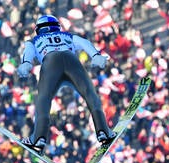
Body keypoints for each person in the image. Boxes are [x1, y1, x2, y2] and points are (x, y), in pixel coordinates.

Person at [17, 15, 117, 154]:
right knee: (90, 95)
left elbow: (28, 53)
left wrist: (26, 64)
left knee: (43, 101)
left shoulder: (34, 40)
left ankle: (38, 138)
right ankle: (103, 132)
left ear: (39, 29)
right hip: (71, 61)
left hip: (51, 62)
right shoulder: (67, 35)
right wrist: (95, 55)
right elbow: (84, 42)